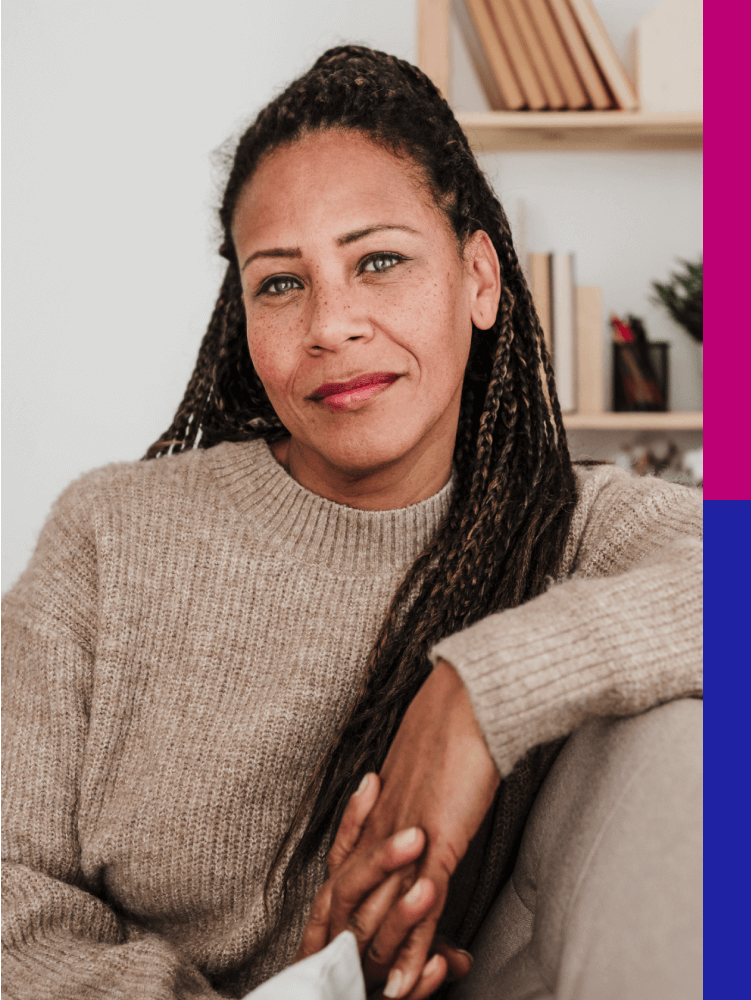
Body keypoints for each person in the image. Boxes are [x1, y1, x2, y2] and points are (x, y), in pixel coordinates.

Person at [1, 46, 702, 1000]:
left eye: (379, 260)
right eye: (280, 283)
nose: (330, 324)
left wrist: (473, 698)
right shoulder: (110, 534)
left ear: (480, 279)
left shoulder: (569, 532)